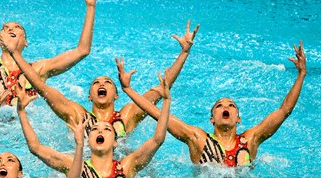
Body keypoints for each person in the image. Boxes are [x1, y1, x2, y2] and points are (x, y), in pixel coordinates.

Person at [0, 20, 198, 139]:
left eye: (108, 82)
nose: (101, 84)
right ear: (89, 97)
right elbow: (40, 86)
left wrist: (184, 53)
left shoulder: (127, 116)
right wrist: (15, 54)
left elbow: (161, 89)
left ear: (117, 95)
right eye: (96, 83)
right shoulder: (76, 114)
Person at [117, 42, 307, 166]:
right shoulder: (197, 139)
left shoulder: (251, 140)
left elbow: (284, 111)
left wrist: (301, 75)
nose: (226, 107)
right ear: (211, 119)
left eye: (231, 106)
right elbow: (159, 115)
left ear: (238, 119)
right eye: (220, 106)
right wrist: (128, 89)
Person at [16, 73, 170, 178]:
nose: (100, 130)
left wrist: (167, 100)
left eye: (107, 129)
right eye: (95, 129)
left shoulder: (125, 167)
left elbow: (158, 139)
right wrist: (21, 111)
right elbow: (35, 148)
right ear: (87, 140)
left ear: (116, 142)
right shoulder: (76, 168)